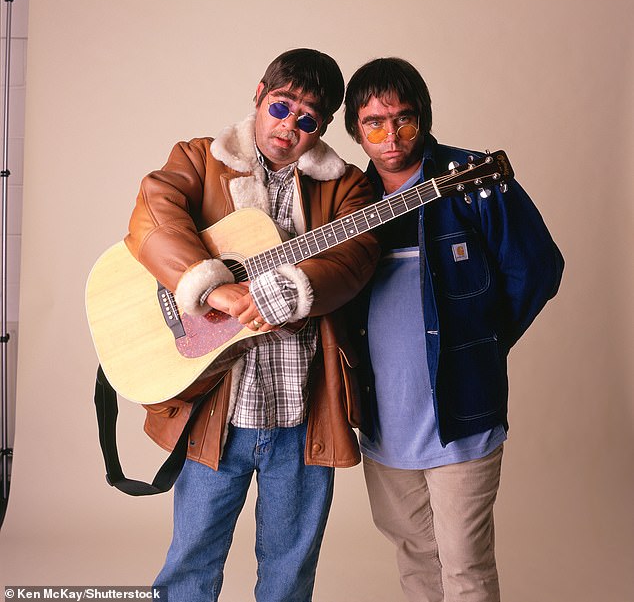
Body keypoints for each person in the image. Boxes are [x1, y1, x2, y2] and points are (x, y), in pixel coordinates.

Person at [124, 48, 380, 602]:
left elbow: (355, 257)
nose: (288, 128)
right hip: (218, 409)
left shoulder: (348, 188)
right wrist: (210, 285)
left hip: (304, 413)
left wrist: (291, 291)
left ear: (324, 126)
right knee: (190, 566)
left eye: (307, 120)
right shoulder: (199, 159)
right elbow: (154, 209)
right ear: (260, 93)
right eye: (281, 107)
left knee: (289, 575)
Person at [343, 57, 564, 602]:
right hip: (381, 423)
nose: (391, 135)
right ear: (354, 130)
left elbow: (537, 268)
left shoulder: (470, 180)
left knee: (464, 566)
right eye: (374, 123)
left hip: (461, 416)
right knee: (415, 558)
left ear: (425, 118)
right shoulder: (346, 200)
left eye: (405, 118)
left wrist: (480, 343)